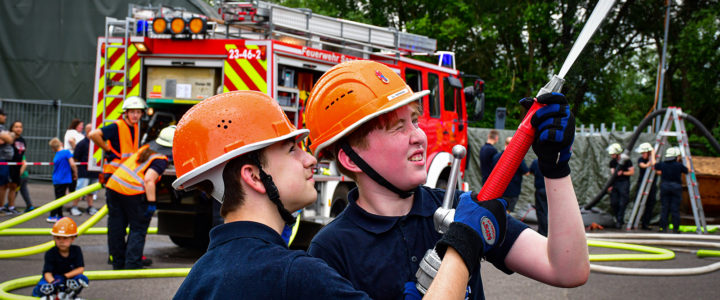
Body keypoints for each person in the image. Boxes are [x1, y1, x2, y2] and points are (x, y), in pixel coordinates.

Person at [305, 61, 589, 299]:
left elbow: (567, 269)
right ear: (350, 159)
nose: (419, 136)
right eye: (397, 127)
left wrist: (555, 167)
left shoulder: (460, 208)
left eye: (415, 120)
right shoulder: (331, 250)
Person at [172, 91, 486, 299]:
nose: (310, 160)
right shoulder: (296, 276)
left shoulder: (197, 280)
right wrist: (462, 243)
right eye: (292, 150)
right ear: (254, 177)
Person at [104, 125, 173, 270]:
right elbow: (149, 179)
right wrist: (152, 203)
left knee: (116, 226)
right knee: (138, 228)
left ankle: (118, 262)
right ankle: (133, 264)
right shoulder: (161, 159)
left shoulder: (146, 149)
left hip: (113, 186)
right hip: (132, 192)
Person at [88, 96, 146, 184]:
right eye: (132, 112)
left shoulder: (135, 127)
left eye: (138, 112)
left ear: (142, 114)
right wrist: (108, 150)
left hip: (125, 172)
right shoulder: (117, 126)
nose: (135, 115)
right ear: (126, 113)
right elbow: (93, 135)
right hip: (113, 172)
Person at [32, 217, 89, 299]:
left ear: (73, 238)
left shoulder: (76, 250)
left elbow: (80, 269)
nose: (61, 241)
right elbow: (47, 273)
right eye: (58, 238)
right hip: (54, 279)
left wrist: (65, 277)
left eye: (65, 238)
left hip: (68, 278)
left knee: (82, 279)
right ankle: (46, 294)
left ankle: (70, 295)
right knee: (43, 285)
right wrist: (54, 282)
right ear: (54, 238)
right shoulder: (50, 253)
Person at [654, 146, 689, 233]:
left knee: (664, 208)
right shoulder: (679, 165)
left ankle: (663, 228)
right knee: (675, 209)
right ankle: (675, 229)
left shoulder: (662, 164)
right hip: (676, 187)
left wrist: (652, 155)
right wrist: (687, 160)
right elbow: (687, 170)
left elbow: (655, 166)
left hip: (665, 187)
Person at [491, 136, 529, 212]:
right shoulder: (518, 157)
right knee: (507, 214)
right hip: (512, 191)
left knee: (497, 212)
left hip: (498, 190)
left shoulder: (496, 157)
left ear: (505, 144)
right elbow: (526, 172)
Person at [70, 124, 100, 216]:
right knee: (80, 191)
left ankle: (90, 207)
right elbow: (76, 159)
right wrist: (77, 172)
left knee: (92, 192)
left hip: (95, 173)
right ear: (88, 131)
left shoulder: (98, 143)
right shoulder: (82, 144)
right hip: (84, 172)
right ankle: (74, 207)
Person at [48, 138, 77, 223]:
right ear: (60, 143)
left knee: (59, 197)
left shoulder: (57, 155)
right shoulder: (66, 152)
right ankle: (53, 214)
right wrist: (75, 173)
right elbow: (72, 164)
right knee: (60, 199)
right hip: (63, 179)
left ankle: (59, 215)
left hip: (57, 179)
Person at [607, 142, 634, 228]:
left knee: (623, 202)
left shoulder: (627, 161)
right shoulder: (612, 162)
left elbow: (632, 172)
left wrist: (623, 173)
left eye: (613, 154)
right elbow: (613, 174)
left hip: (624, 183)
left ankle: (620, 221)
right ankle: (617, 218)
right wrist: (610, 185)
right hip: (615, 183)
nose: (612, 155)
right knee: (614, 202)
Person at [1, 121, 25, 214]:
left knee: (14, 186)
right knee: (4, 186)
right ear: (12, 128)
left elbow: (22, 154)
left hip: (17, 167)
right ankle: (1, 207)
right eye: (16, 127)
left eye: (20, 127)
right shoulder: (8, 138)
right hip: (8, 164)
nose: (18, 129)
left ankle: (11, 207)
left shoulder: (22, 140)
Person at [635, 142, 657, 230]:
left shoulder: (654, 160)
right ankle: (635, 221)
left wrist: (652, 154)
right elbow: (645, 165)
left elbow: (655, 165)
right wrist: (652, 155)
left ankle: (645, 223)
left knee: (650, 204)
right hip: (642, 184)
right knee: (640, 203)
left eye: (644, 153)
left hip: (651, 185)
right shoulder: (640, 160)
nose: (642, 155)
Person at [0, 109, 16, 215]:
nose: (5, 117)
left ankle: (1, 207)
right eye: (3, 115)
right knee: (2, 185)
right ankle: (1, 207)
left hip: (5, 160)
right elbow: (10, 139)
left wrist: (8, 137)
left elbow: (10, 138)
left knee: (4, 185)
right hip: (1, 160)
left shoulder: (2, 128)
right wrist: (8, 137)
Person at [529, 158, 548, 236]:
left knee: (541, 212)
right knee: (547, 211)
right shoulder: (551, 160)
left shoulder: (536, 161)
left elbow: (531, 172)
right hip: (550, 189)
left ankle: (543, 232)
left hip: (540, 189)